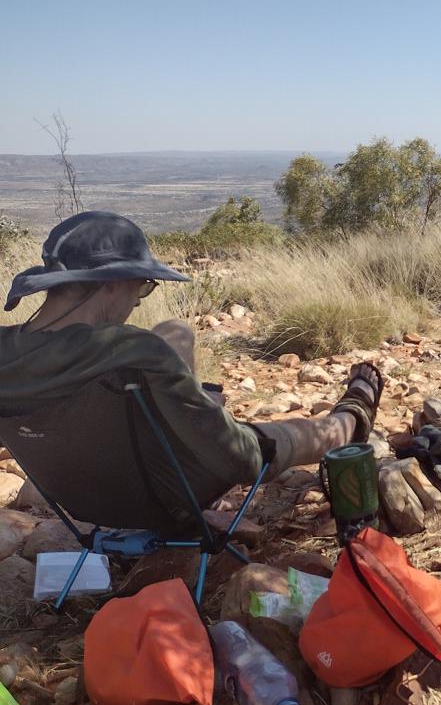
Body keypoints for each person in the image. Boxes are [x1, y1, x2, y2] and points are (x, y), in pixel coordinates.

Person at [0, 211, 381, 507]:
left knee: (175, 330)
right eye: (142, 286)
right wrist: (213, 417)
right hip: (165, 491)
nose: (136, 301)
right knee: (272, 438)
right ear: (110, 282)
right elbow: (239, 458)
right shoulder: (134, 352)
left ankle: (191, 405)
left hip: (83, 499)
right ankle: (352, 416)